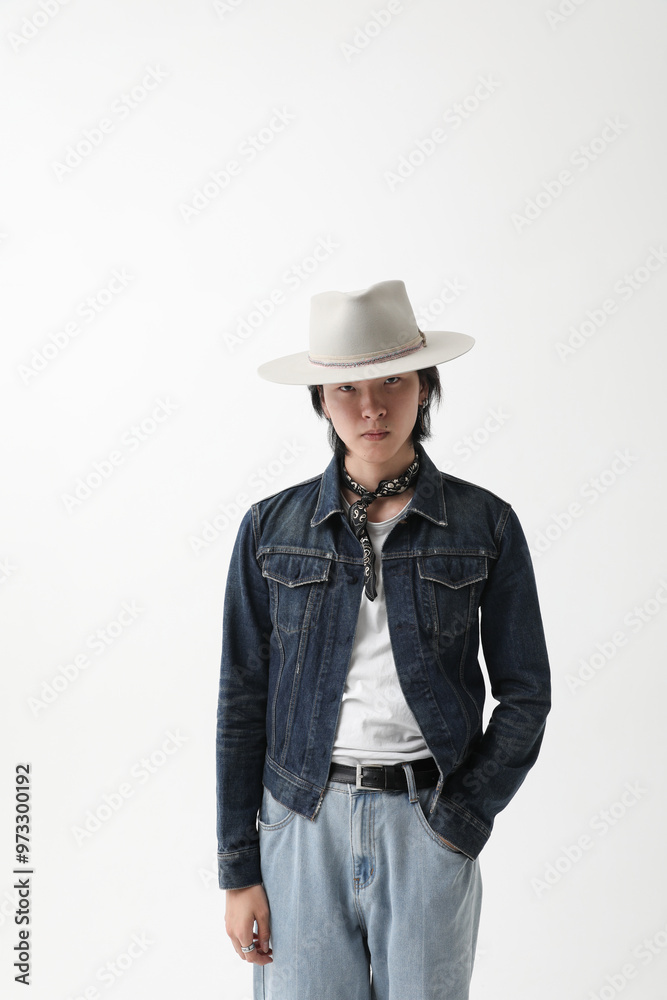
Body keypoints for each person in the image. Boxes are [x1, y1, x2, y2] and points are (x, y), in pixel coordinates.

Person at [216, 279, 551, 999]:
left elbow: (525, 693)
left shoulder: (483, 524)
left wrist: (459, 821)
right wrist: (238, 868)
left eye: (393, 381)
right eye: (347, 390)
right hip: (300, 824)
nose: (371, 407)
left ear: (425, 387)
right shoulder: (269, 530)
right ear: (320, 401)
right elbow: (241, 699)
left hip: (425, 824)